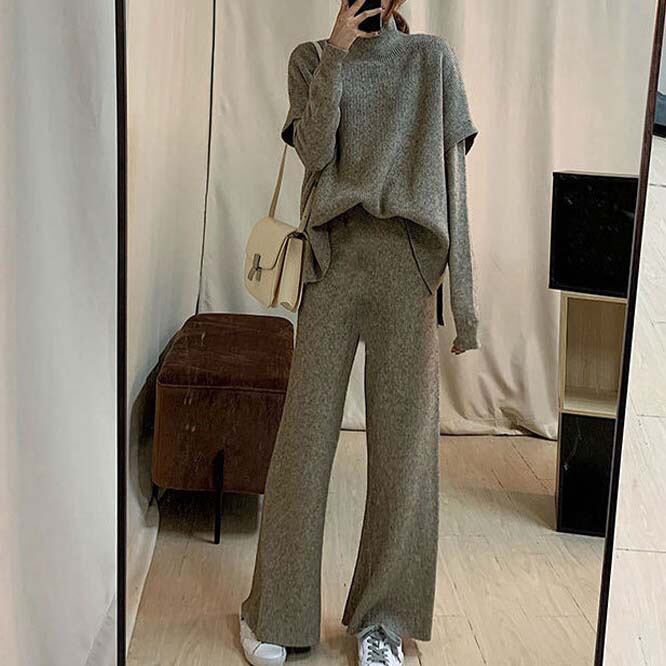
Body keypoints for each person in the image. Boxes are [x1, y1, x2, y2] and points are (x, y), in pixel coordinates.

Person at [239, 1, 479, 664]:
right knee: (304, 442)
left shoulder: (432, 61)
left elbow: (455, 184)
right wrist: (338, 56)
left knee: (405, 453)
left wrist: (464, 301)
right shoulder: (311, 60)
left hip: (408, 267)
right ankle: (275, 611)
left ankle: (383, 621)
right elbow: (315, 153)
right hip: (333, 261)